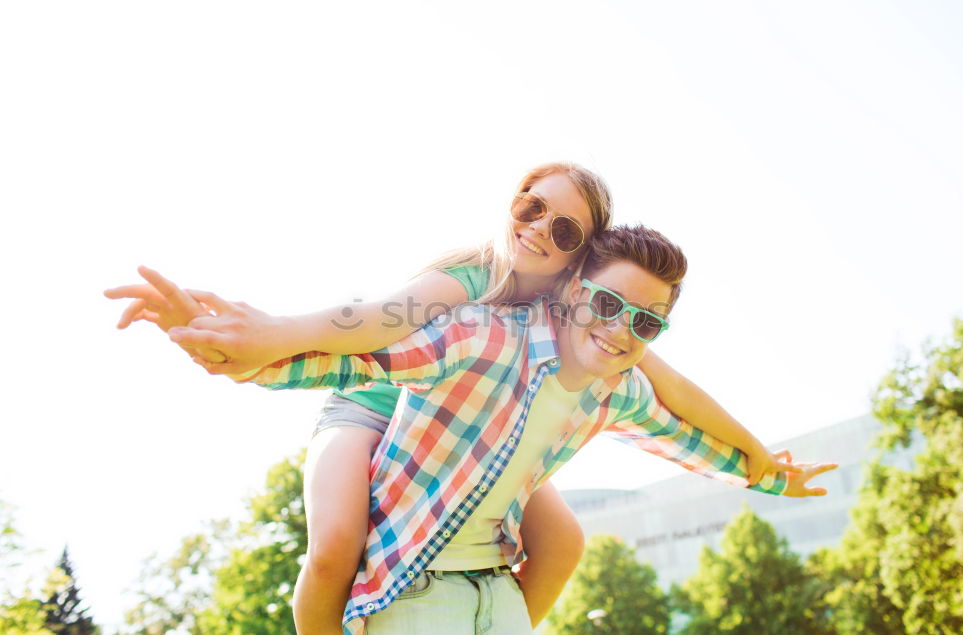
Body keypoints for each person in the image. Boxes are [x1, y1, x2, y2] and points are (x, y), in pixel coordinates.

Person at [105, 165, 795, 633]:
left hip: (472, 437)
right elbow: (367, 328)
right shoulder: (472, 278)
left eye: (562, 231)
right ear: (515, 201)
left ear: (577, 263)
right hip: (374, 395)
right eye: (532, 207)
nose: (536, 230)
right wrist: (259, 337)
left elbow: (672, 394)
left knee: (563, 540)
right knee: (337, 543)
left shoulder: (596, 325)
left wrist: (759, 458)